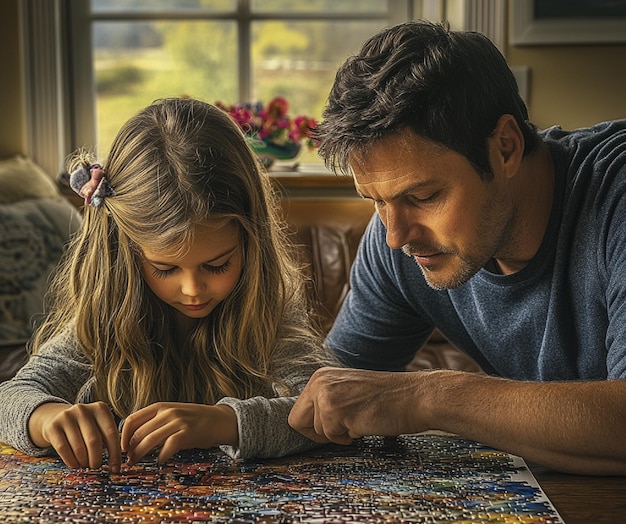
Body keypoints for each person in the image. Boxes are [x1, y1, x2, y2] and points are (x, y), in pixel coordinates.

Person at [288, 20, 626, 475]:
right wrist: (230, 420)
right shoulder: (399, 239)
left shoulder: (616, 195)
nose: (395, 236)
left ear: (505, 147)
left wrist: (428, 397)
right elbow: (327, 400)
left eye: (424, 197)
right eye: (376, 202)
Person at [0, 97, 333, 473]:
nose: (193, 288)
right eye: (165, 268)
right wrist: (45, 417)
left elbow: (326, 408)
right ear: (124, 254)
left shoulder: (269, 315)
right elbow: (10, 398)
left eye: (217, 264)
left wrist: (225, 424)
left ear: (252, 243)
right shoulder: (105, 320)